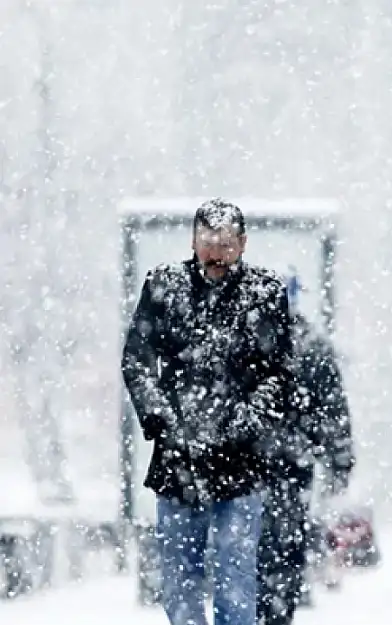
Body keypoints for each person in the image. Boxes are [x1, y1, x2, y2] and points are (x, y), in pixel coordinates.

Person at [121, 198, 293, 625]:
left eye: (227, 244)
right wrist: (161, 416)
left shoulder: (266, 292)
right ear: (193, 241)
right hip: (179, 459)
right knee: (180, 579)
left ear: (244, 244)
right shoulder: (163, 286)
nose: (217, 253)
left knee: (236, 576)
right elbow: (137, 361)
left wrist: (249, 419)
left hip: (243, 458)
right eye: (209, 242)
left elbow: (281, 371)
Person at [256, 271, 355, 625]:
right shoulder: (312, 345)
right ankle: (278, 611)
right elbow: (334, 412)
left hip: (246, 468)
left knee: (249, 548)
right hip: (292, 466)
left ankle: (257, 608)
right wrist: (339, 463)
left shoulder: (244, 341)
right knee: (285, 546)